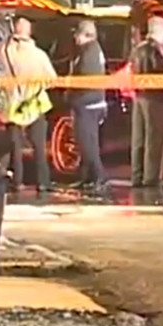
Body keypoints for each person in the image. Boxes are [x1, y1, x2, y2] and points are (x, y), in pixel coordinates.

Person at [0, 16, 58, 198]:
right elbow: (52, 79)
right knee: (38, 146)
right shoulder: (39, 55)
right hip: (34, 105)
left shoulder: (4, 51)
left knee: (15, 147)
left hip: (13, 106)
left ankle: (17, 182)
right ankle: (42, 183)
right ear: (29, 32)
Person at [129, 15, 163, 188]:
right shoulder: (157, 50)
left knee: (138, 139)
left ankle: (137, 176)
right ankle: (151, 178)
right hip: (156, 99)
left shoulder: (137, 49)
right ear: (162, 30)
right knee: (155, 140)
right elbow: (162, 74)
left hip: (139, 97)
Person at [69, 19, 109, 196]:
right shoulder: (92, 50)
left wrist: (72, 94)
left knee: (88, 143)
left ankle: (100, 177)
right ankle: (87, 177)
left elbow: (84, 78)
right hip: (92, 102)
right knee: (86, 142)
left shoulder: (89, 52)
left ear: (84, 34)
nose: (75, 37)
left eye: (77, 33)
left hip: (88, 103)